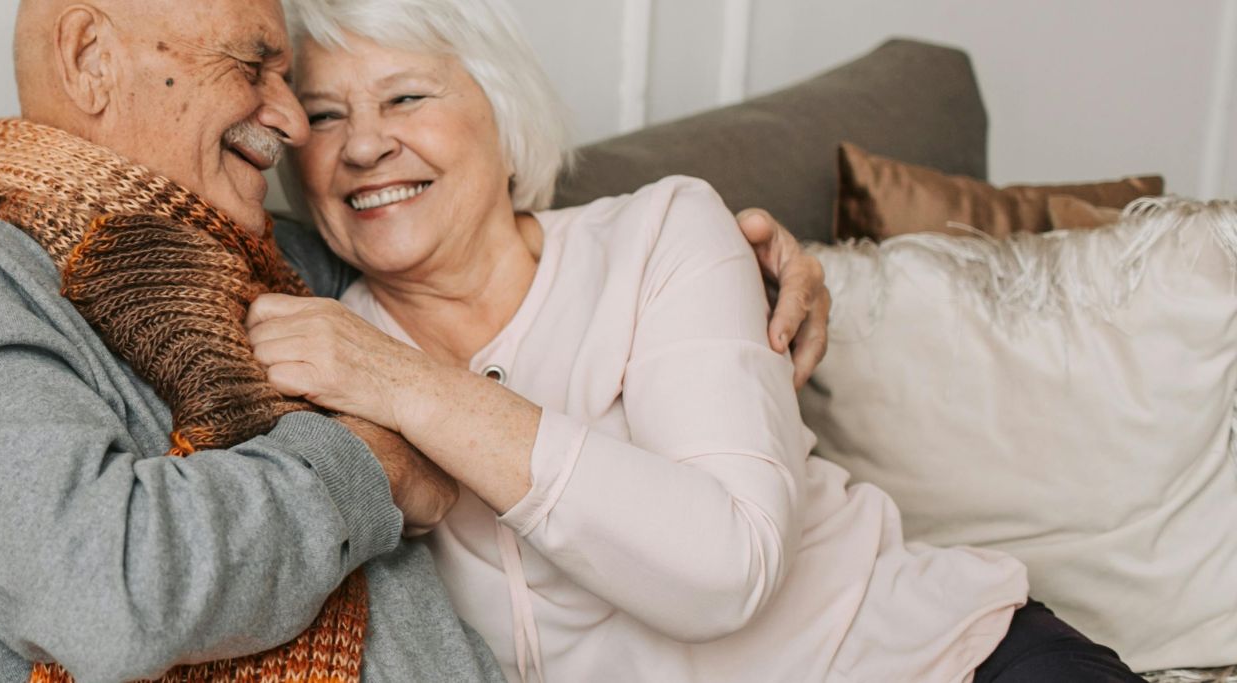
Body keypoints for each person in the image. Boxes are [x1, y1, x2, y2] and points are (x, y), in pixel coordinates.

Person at [0, 0, 829, 680]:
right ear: (92, 58)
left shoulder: (283, 260)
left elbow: (477, 234)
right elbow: (102, 585)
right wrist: (370, 465)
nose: (292, 124)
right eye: (257, 68)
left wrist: (770, 265)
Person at [245, 0, 1146, 681]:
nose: (362, 145)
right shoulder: (315, 332)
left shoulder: (662, 232)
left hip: (933, 660)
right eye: (323, 117)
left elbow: (727, 567)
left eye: (405, 96)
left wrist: (412, 388)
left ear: (501, 111)